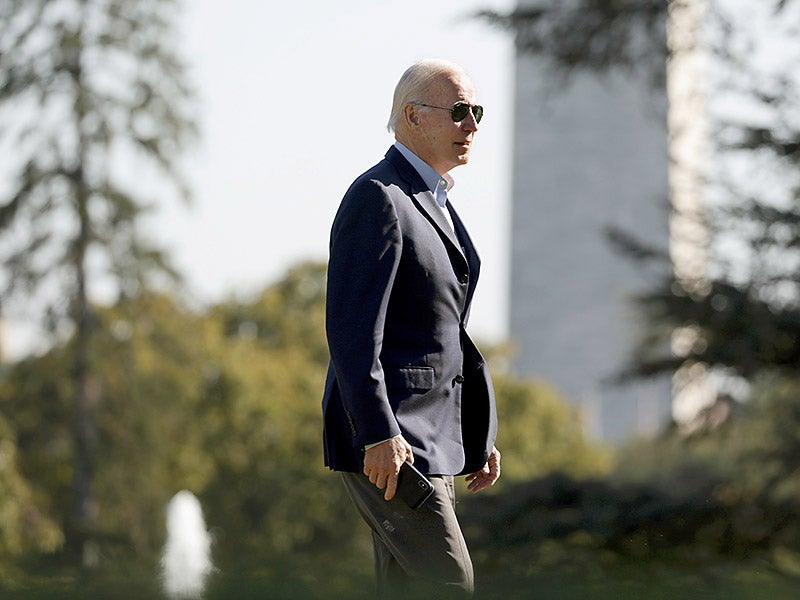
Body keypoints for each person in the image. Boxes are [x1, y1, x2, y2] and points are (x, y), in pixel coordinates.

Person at [321, 58, 501, 596]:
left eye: (477, 113)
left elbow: (445, 332)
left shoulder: (435, 202)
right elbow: (353, 331)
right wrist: (377, 431)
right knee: (449, 582)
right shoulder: (378, 197)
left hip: (432, 437)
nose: (472, 125)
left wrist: (477, 430)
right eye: (460, 112)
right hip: (391, 441)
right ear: (413, 116)